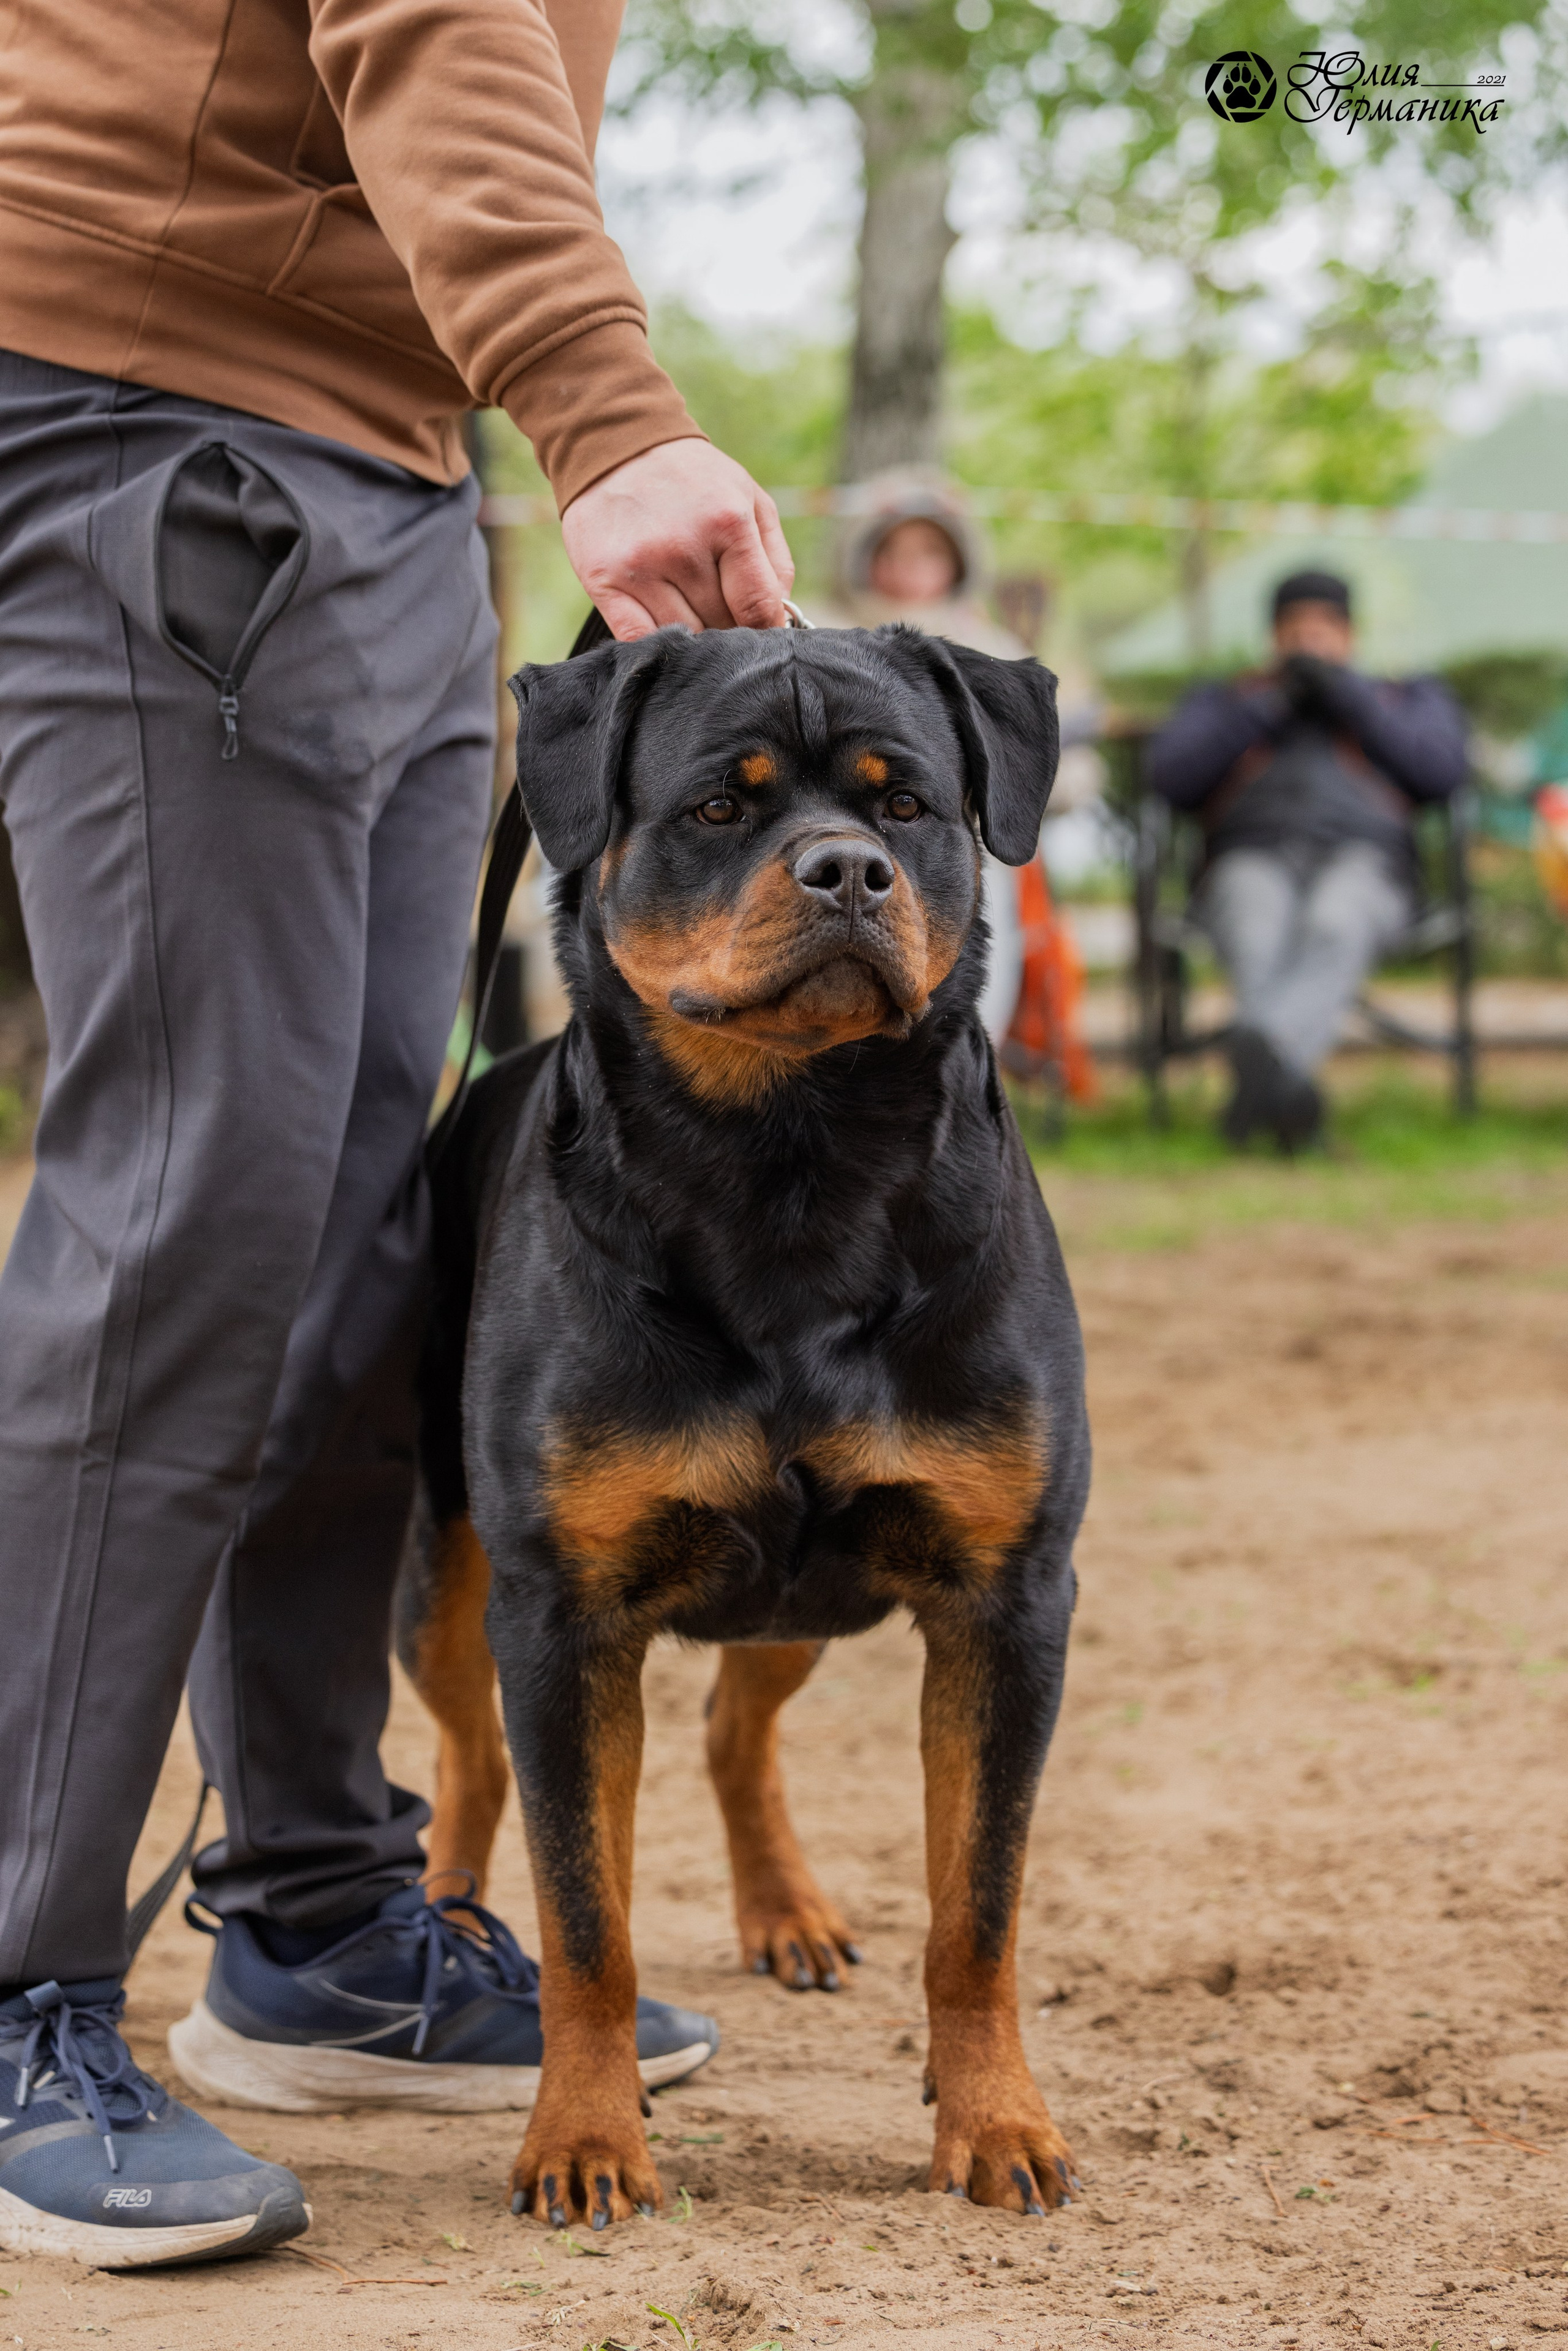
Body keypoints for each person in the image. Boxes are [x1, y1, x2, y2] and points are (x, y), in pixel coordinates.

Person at [0, 0, 793, 2270]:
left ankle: (314, 1911)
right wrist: (604, 405)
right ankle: (16, 1982)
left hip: (380, 456)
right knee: (194, 1204)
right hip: (156, 397)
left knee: (362, 1226)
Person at [1145, 569, 1468, 1149]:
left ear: (1350, 635)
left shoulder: (1402, 695)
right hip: (1249, 857)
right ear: (1274, 637)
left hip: (1367, 864)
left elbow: (1442, 773)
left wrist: (1353, 699)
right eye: (1296, 630)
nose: (1310, 642)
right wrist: (1268, 707)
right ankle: (1288, 1099)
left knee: (1335, 922)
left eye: (1324, 629)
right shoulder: (1227, 699)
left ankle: (1259, 1069)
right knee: (1254, 926)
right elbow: (1169, 777)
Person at [811, 472, 1097, 1089]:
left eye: (928, 551)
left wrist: (1045, 784)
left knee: (978, 966)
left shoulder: (988, 644)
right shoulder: (813, 632)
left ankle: (959, 1084)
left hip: (962, 847)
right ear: (862, 555)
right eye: (893, 550)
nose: (910, 567)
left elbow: (1047, 755)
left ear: (957, 560)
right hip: (839, 838)